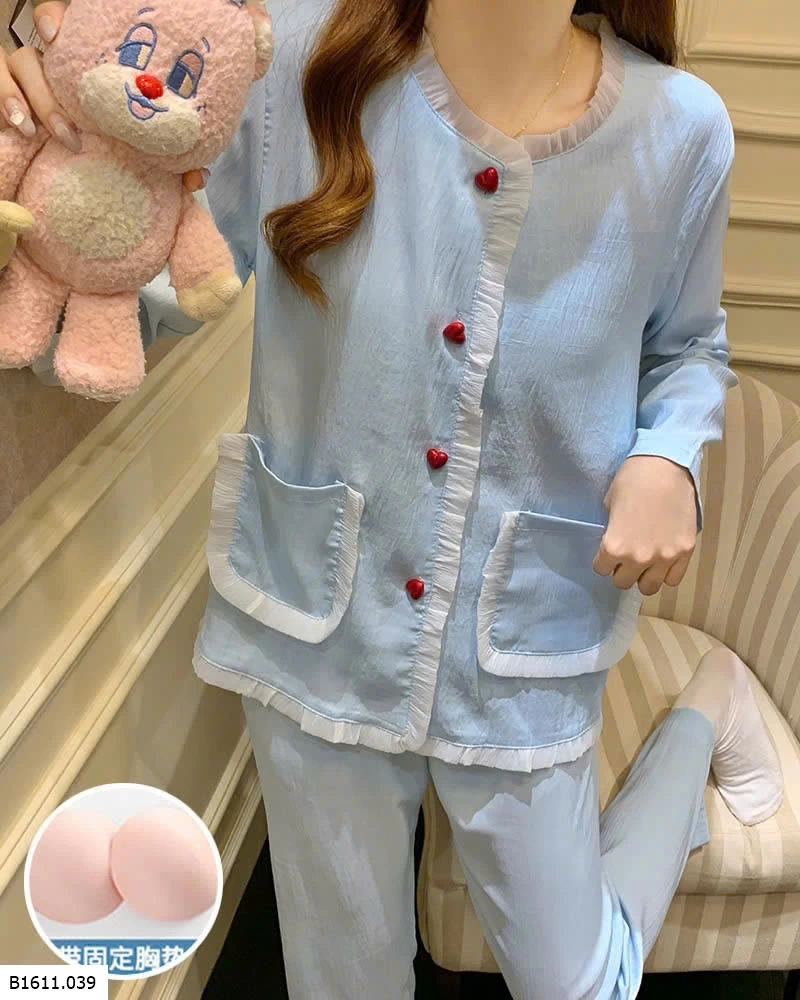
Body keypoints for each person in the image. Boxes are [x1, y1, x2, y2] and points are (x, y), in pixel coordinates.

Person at [1, 1, 785, 997]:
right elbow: (136, 264)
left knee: (579, 984)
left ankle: (701, 713)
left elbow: (687, 344)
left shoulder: (681, 128)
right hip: (319, 622)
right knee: (344, 981)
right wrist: (40, 153)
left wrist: (669, 455)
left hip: (526, 635)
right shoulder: (292, 57)